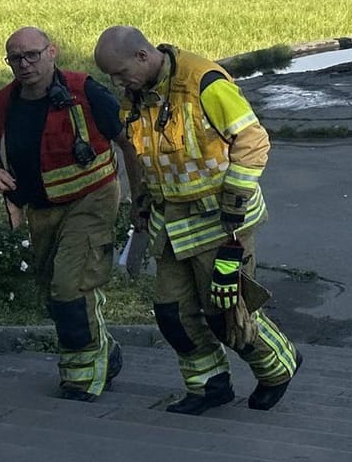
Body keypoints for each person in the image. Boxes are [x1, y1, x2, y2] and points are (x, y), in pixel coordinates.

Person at [94, 26, 300, 415]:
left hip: (222, 226)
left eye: (121, 73)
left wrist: (235, 200)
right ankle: (210, 387)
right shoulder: (135, 97)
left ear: (142, 56)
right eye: (112, 77)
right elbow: (139, 153)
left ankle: (278, 366)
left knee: (226, 312)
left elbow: (253, 141)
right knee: (172, 314)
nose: (117, 83)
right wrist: (140, 201)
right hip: (169, 225)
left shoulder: (203, 82)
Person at [0, 27, 127, 401]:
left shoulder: (85, 92)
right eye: (15, 58)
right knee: (53, 294)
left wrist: (141, 197)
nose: (24, 65)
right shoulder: (4, 104)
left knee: (69, 286)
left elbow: (128, 143)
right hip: (40, 211)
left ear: (52, 52)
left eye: (32, 55)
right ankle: (105, 352)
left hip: (91, 200)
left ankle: (85, 376)